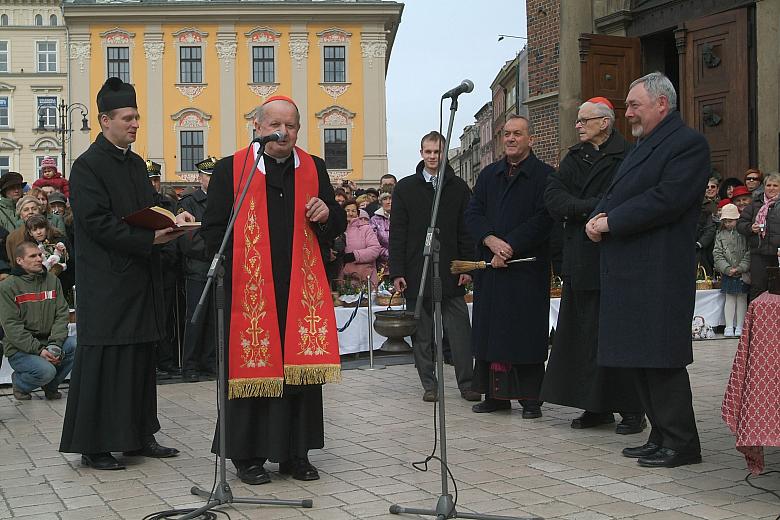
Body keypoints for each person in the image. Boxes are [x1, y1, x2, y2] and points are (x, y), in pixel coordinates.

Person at [201, 95, 345, 485]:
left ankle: (295, 453)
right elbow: (213, 229)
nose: (284, 132)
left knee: (300, 375)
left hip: (300, 289)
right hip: (250, 291)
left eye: (292, 126)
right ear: (259, 127)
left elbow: (336, 220)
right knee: (252, 374)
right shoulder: (233, 168)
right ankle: (247, 456)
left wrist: (327, 214)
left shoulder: (313, 167)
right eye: (276, 125)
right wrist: (237, 265)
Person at [59, 77, 192, 470]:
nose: (135, 124)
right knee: (105, 360)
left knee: (138, 357)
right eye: (128, 118)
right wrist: (148, 240)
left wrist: (174, 217)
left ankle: (138, 435)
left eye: (136, 117)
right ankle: (94, 444)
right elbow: (96, 223)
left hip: (139, 278)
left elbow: (149, 206)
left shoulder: (135, 164)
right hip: (107, 281)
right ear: (104, 120)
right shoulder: (86, 167)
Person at [586, 72, 707, 468]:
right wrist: (596, 216)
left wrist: (612, 222)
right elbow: (618, 193)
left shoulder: (687, 144)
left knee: (661, 357)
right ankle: (661, 434)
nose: (629, 112)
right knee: (639, 355)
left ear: (661, 104)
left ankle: (682, 442)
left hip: (659, 270)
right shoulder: (643, 146)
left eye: (635, 104)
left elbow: (666, 198)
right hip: (630, 270)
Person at [540, 97, 644, 434]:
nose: (578, 125)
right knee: (584, 337)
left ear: (604, 122)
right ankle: (594, 406)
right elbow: (553, 197)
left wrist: (587, 210)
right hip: (580, 261)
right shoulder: (574, 157)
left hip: (613, 258)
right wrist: (589, 209)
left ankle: (631, 408)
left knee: (618, 336)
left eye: (584, 120)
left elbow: (623, 199)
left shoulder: (627, 155)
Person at [465, 115, 553, 418]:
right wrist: (490, 241)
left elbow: (543, 219)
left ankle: (530, 398)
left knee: (524, 334)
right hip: (493, 269)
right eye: (507, 134)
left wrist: (510, 245)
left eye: (518, 134)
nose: (511, 139)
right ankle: (496, 395)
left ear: (531, 139)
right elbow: (473, 213)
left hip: (525, 271)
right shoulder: (490, 174)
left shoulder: (544, 176)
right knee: (492, 334)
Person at [390, 131, 479, 403]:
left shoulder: (458, 187)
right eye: (428, 152)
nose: (432, 157)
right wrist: (397, 272)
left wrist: (467, 267)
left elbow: (466, 230)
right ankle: (429, 384)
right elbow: (398, 233)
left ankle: (467, 383)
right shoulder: (405, 188)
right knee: (422, 334)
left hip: (450, 269)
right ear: (421, 154)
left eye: (437, 152)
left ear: (443, 154)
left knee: (460, 331)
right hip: (417, 270)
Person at [1, 241, 76, 401]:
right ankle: (20, 384)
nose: (39, 259)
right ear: (19, 261)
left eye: (40, 255)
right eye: (33, 256)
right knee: (46, 371)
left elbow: (61, 314)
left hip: (49, 341)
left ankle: (51, 385)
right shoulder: (7, 287)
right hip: (20, 349)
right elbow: (12, 327)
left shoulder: (52, 280)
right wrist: (39, 350)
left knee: (76, 345)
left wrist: (55, 344)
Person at [178, 156, 218, 383]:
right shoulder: (189, 201)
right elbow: (188, 239)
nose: (211, 180)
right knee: (195, 317)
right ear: (200, 177)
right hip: (198, 266)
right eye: (208, 176)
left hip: (217, 265)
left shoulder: (222, 200)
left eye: (214, 176)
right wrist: (214, 248)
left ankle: (209, 361)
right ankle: (190, 364)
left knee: (214, 317)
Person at [736, 172, 780, 300]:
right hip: (758, 253)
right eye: (768, 185)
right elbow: (740, 224)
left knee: (777, 290)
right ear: (764, 186)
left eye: (775, 185)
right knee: (757, 288)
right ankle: (756, 319)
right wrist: (751, 228)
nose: (771, 188)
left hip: (777, 254)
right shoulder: (755, 203)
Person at [713, 204, 750, 337]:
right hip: (728, 272)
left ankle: (740, 326)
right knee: (729, 299)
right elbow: (717, 253)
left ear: (737, 219)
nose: (728, 224)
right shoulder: (720, 235)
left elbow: (749, 252)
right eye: (725, 221)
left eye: (731, 221)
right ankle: (729, 326)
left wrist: (741, 267)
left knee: (741, 298)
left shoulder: (744, 234)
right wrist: (726, 268)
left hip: (742, 272)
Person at [370, 190, 391, 275]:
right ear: (380, 201)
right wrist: (388, 253)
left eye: (391, 198)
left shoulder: (403, 217)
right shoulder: (374, 220)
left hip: (402, 262)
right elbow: (374, 243)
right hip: (381, 266)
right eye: (385, 199)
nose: (389, 202)